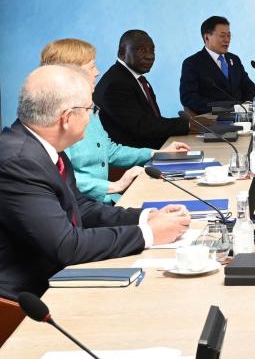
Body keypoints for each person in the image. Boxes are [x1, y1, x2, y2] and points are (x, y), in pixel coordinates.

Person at [0, 65, 190, 300]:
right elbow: (66, 246)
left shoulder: (44, 147)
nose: (93, 117)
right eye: (91, 109)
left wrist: (145, 217)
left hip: (56, 275)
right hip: (26, 299)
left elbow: (80, 207)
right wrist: (148, 234)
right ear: (67, 118)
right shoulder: (19, 162)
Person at [42, 38, 191, 204]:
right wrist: (115, 186)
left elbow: (110, 150)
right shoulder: (53, 120)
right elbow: (61, 177)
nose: (97, 72)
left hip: (107, 201)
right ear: (70, 74)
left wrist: (157, 154)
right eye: (91, 67)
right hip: (84, 207)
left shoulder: (88, 108)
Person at [95, 30, 199, 149]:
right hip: (134, 160)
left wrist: (188, 124)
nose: (150, 56)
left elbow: (151, 121)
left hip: (152, 147)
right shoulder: (116, 84)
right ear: (122, 53)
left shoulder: (135, 78)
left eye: (152, 50)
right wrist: (189, 124)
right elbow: (142, 126)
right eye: (141, 50)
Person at [180, 16, 255, 114]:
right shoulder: (192, 63)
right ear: (207, 37)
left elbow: (249, 87)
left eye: (229, 35)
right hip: (214, 121)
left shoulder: (234, 59)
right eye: (222, 35)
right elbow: (188, 98)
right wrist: (223, 109)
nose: (227, 40)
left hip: (243, 116)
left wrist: (248, 104)